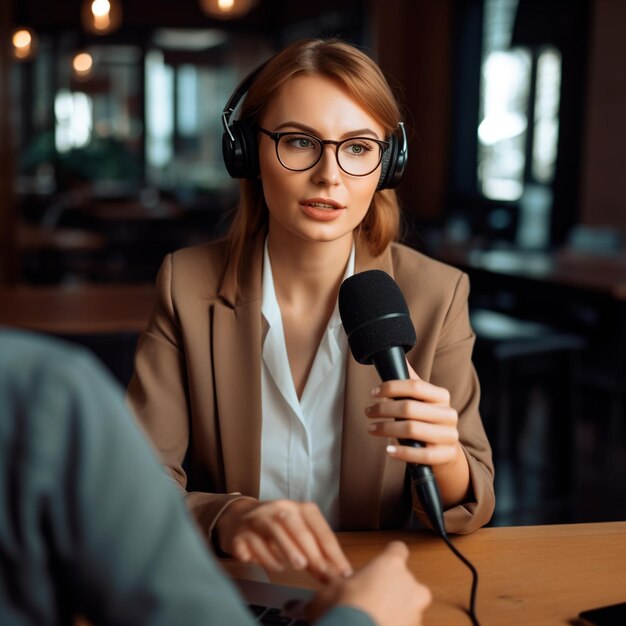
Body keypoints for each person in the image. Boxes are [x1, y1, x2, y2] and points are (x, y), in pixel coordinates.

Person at [127, 38, 495, 582]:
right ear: (248, 152)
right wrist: (229, 517)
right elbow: (134, 483)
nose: (329, 174)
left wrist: (444, 458)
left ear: (386, 163)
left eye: (358, 147)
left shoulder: (438, 294)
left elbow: (473, 502)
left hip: (369, 587)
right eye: (300, 141)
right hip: (230, 588)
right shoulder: (187, 284)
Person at [0, 328, 431, 626]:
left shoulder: (436, 289)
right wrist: (361, 618)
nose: (329, 186)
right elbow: (151, 473)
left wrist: (446, 463)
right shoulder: (41, 393)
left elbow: (472, 491)